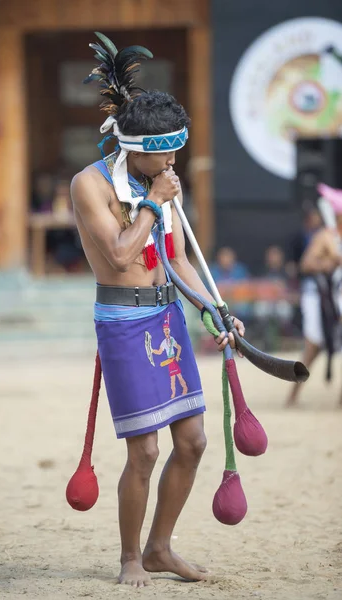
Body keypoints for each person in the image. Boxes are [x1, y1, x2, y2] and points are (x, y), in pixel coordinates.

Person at [70, 34, 245, 588]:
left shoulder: (160, 183)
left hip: (168, 317)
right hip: (123, 322)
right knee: (144, 450)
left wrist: (213, 308)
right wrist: (152, 202)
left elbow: (177, 262)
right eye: (162, 153)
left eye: (176, 152)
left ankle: (159, 548)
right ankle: (128, 558)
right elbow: (122, 257)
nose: (172, 163)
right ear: (132, 148)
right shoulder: (89, 185)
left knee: (192, 442)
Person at [286, 185, 342, 407]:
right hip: (321, 299)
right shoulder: (325, 237)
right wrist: (329, 263)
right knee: (312, 348)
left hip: (338, 296)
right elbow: (306, 263)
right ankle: (293, 395)